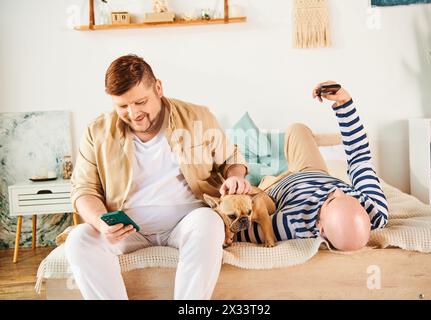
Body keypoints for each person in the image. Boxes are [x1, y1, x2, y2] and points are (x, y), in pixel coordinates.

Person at [65, 54, 252, 300]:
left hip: (185, 223)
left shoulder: (198, 117)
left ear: (159, 88)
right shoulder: (97, 131)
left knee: (210, 222)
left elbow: (232, 159)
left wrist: (235, 177)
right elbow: (83, 190)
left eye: (140, 102)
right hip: (127, 231)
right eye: (122, 106)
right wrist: (100, 222)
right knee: (79, 239)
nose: (133, 114)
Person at [237, 81, 389, 251]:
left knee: (245, 181)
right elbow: (360, 158)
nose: (338, 191)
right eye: (350, 197)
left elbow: (238, 229)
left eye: (331, 201)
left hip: (273, 188)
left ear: (320, 227)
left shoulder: (292, 224)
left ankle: (261, 166)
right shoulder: (375, 211)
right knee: (298, 128)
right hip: (313, 171)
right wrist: (344, 103)